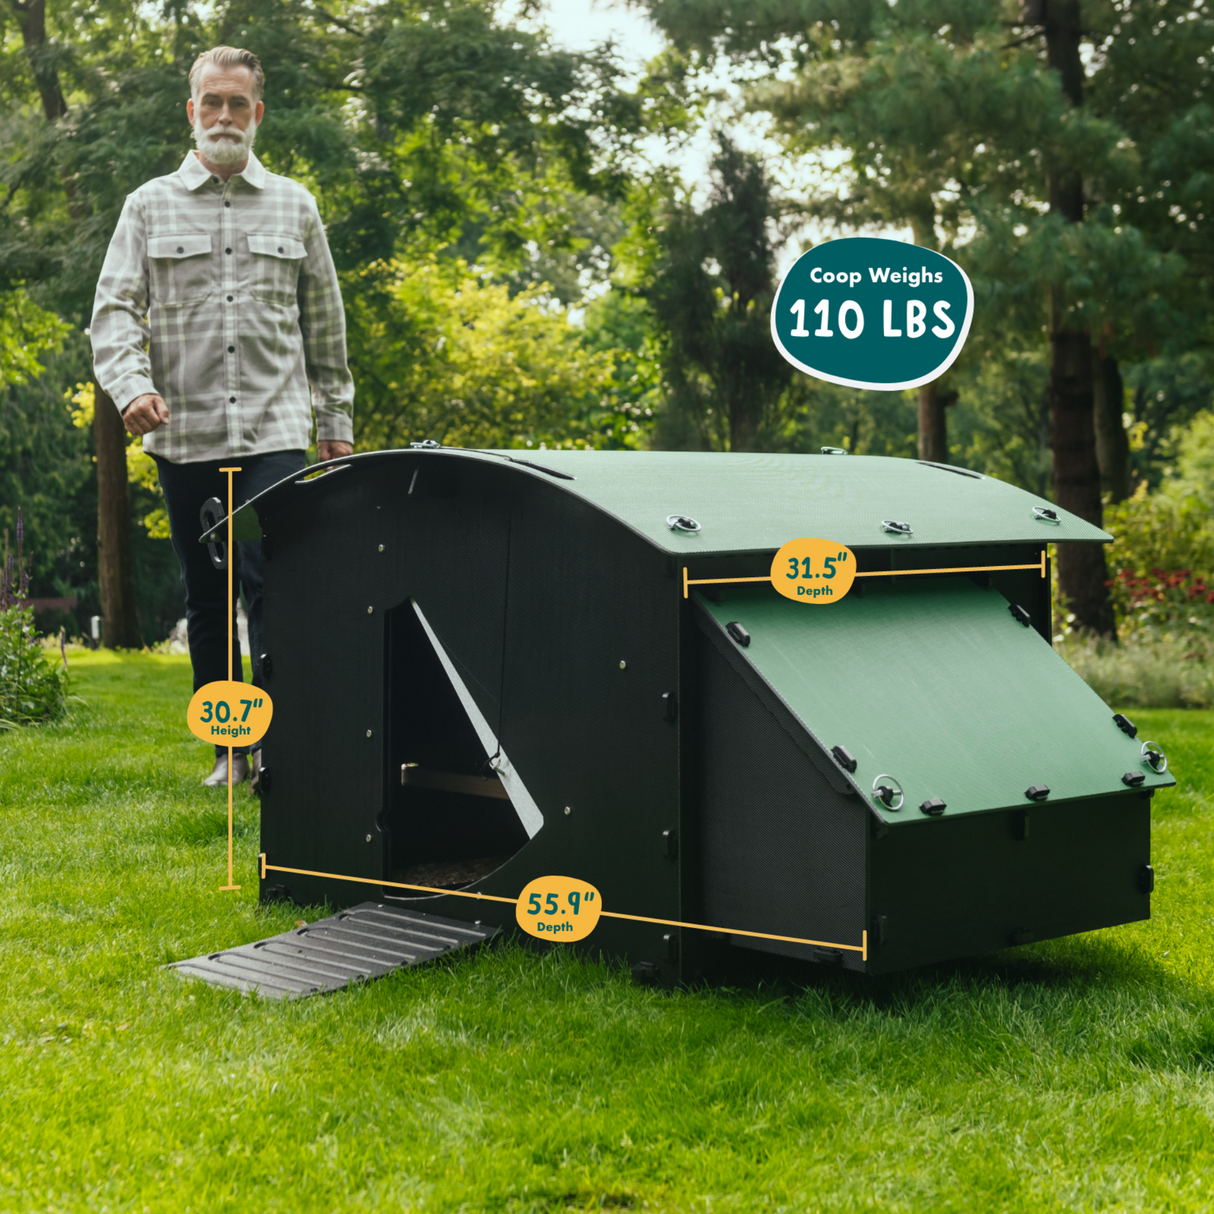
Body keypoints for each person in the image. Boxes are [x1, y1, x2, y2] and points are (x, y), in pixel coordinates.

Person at [91, 46, 353, 787]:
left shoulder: (296, 206)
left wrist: (334, 419)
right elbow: (113, 313)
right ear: (192, 110)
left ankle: (279, 746)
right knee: (208, 595)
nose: (225, 116)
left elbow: (324, 323)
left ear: (257, 113)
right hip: (185, 433)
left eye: (239, 103)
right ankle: (230, 754)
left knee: (275, 583)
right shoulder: (147, 205)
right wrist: (129, 387)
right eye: (213, 102)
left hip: (275, 430)